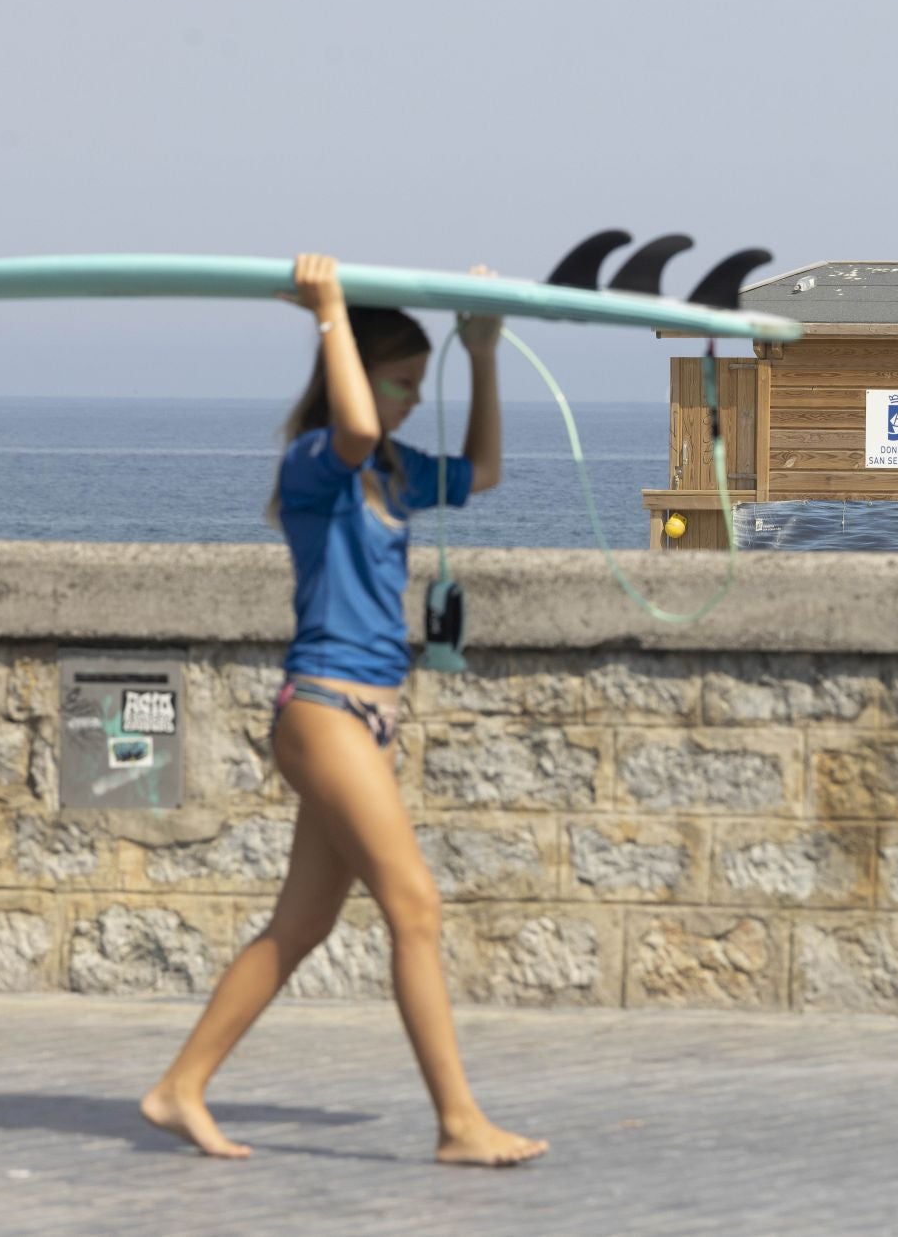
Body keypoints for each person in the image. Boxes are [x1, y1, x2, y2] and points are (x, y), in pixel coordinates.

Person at [141, 252, 547, 1167]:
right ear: (358, 377)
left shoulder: (398, 473)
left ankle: (179, 1087)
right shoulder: (318, 464)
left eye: (415, 386)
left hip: (365, 717)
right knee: (416, 907)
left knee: (301, 925)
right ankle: (458, 1123)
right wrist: (328, 310)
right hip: (323, 709)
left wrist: (479, 350)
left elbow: (483, 469)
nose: (408, 401)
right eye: (400, 383)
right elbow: (356, 425)